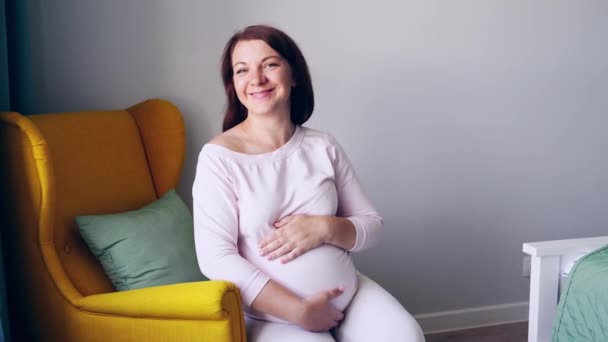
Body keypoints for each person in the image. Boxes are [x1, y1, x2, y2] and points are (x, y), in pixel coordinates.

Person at [192, 24, 425, 342]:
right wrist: (298, 310)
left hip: (349, 298)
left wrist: (324, 229)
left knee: (406, 336)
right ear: (233, 84)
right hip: (275, 318)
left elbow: (373, 227)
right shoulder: (219, 158)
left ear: (294, 74)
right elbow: (215, 258)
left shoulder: (322, 146)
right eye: (242, 70)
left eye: (270, 64)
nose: (257, 79)